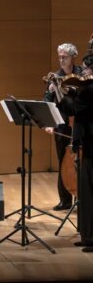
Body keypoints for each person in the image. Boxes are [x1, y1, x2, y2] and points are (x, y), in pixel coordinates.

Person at [53, 50, 93, 252]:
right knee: (85, 194)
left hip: (91, 145)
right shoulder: (86, 89)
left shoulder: (89, 90)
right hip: (86, 144)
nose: (83, 72)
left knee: (90, 193)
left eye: (86, 69)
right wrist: (66, 92)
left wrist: (63, 92)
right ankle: (87, 237)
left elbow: (72, 109)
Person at [43, 43, 82, 211]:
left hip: (81, 123)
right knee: (63, 161)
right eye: (59, 57)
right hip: (62, 124)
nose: (61, 60)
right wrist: (49, 123)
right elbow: (47, 101)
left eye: (64, 57)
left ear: (73, 57)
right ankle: (65, 200)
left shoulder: (82, 74)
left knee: (83, 162)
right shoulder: (55, 77)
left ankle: (83, 198)